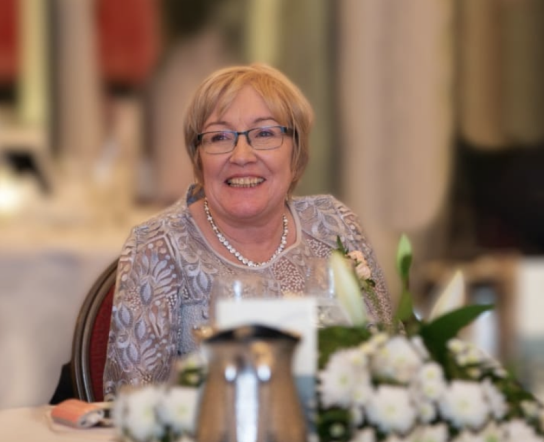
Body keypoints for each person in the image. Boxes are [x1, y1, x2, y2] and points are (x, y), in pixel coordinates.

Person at [103, 63, 392, 398]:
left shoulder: (335, 226)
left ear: (296, 152)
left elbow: (389, 363)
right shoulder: (157, 248)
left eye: (265, 134)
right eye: (219, 137)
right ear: (199, 158)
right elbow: (132, 403)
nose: (241, 156)